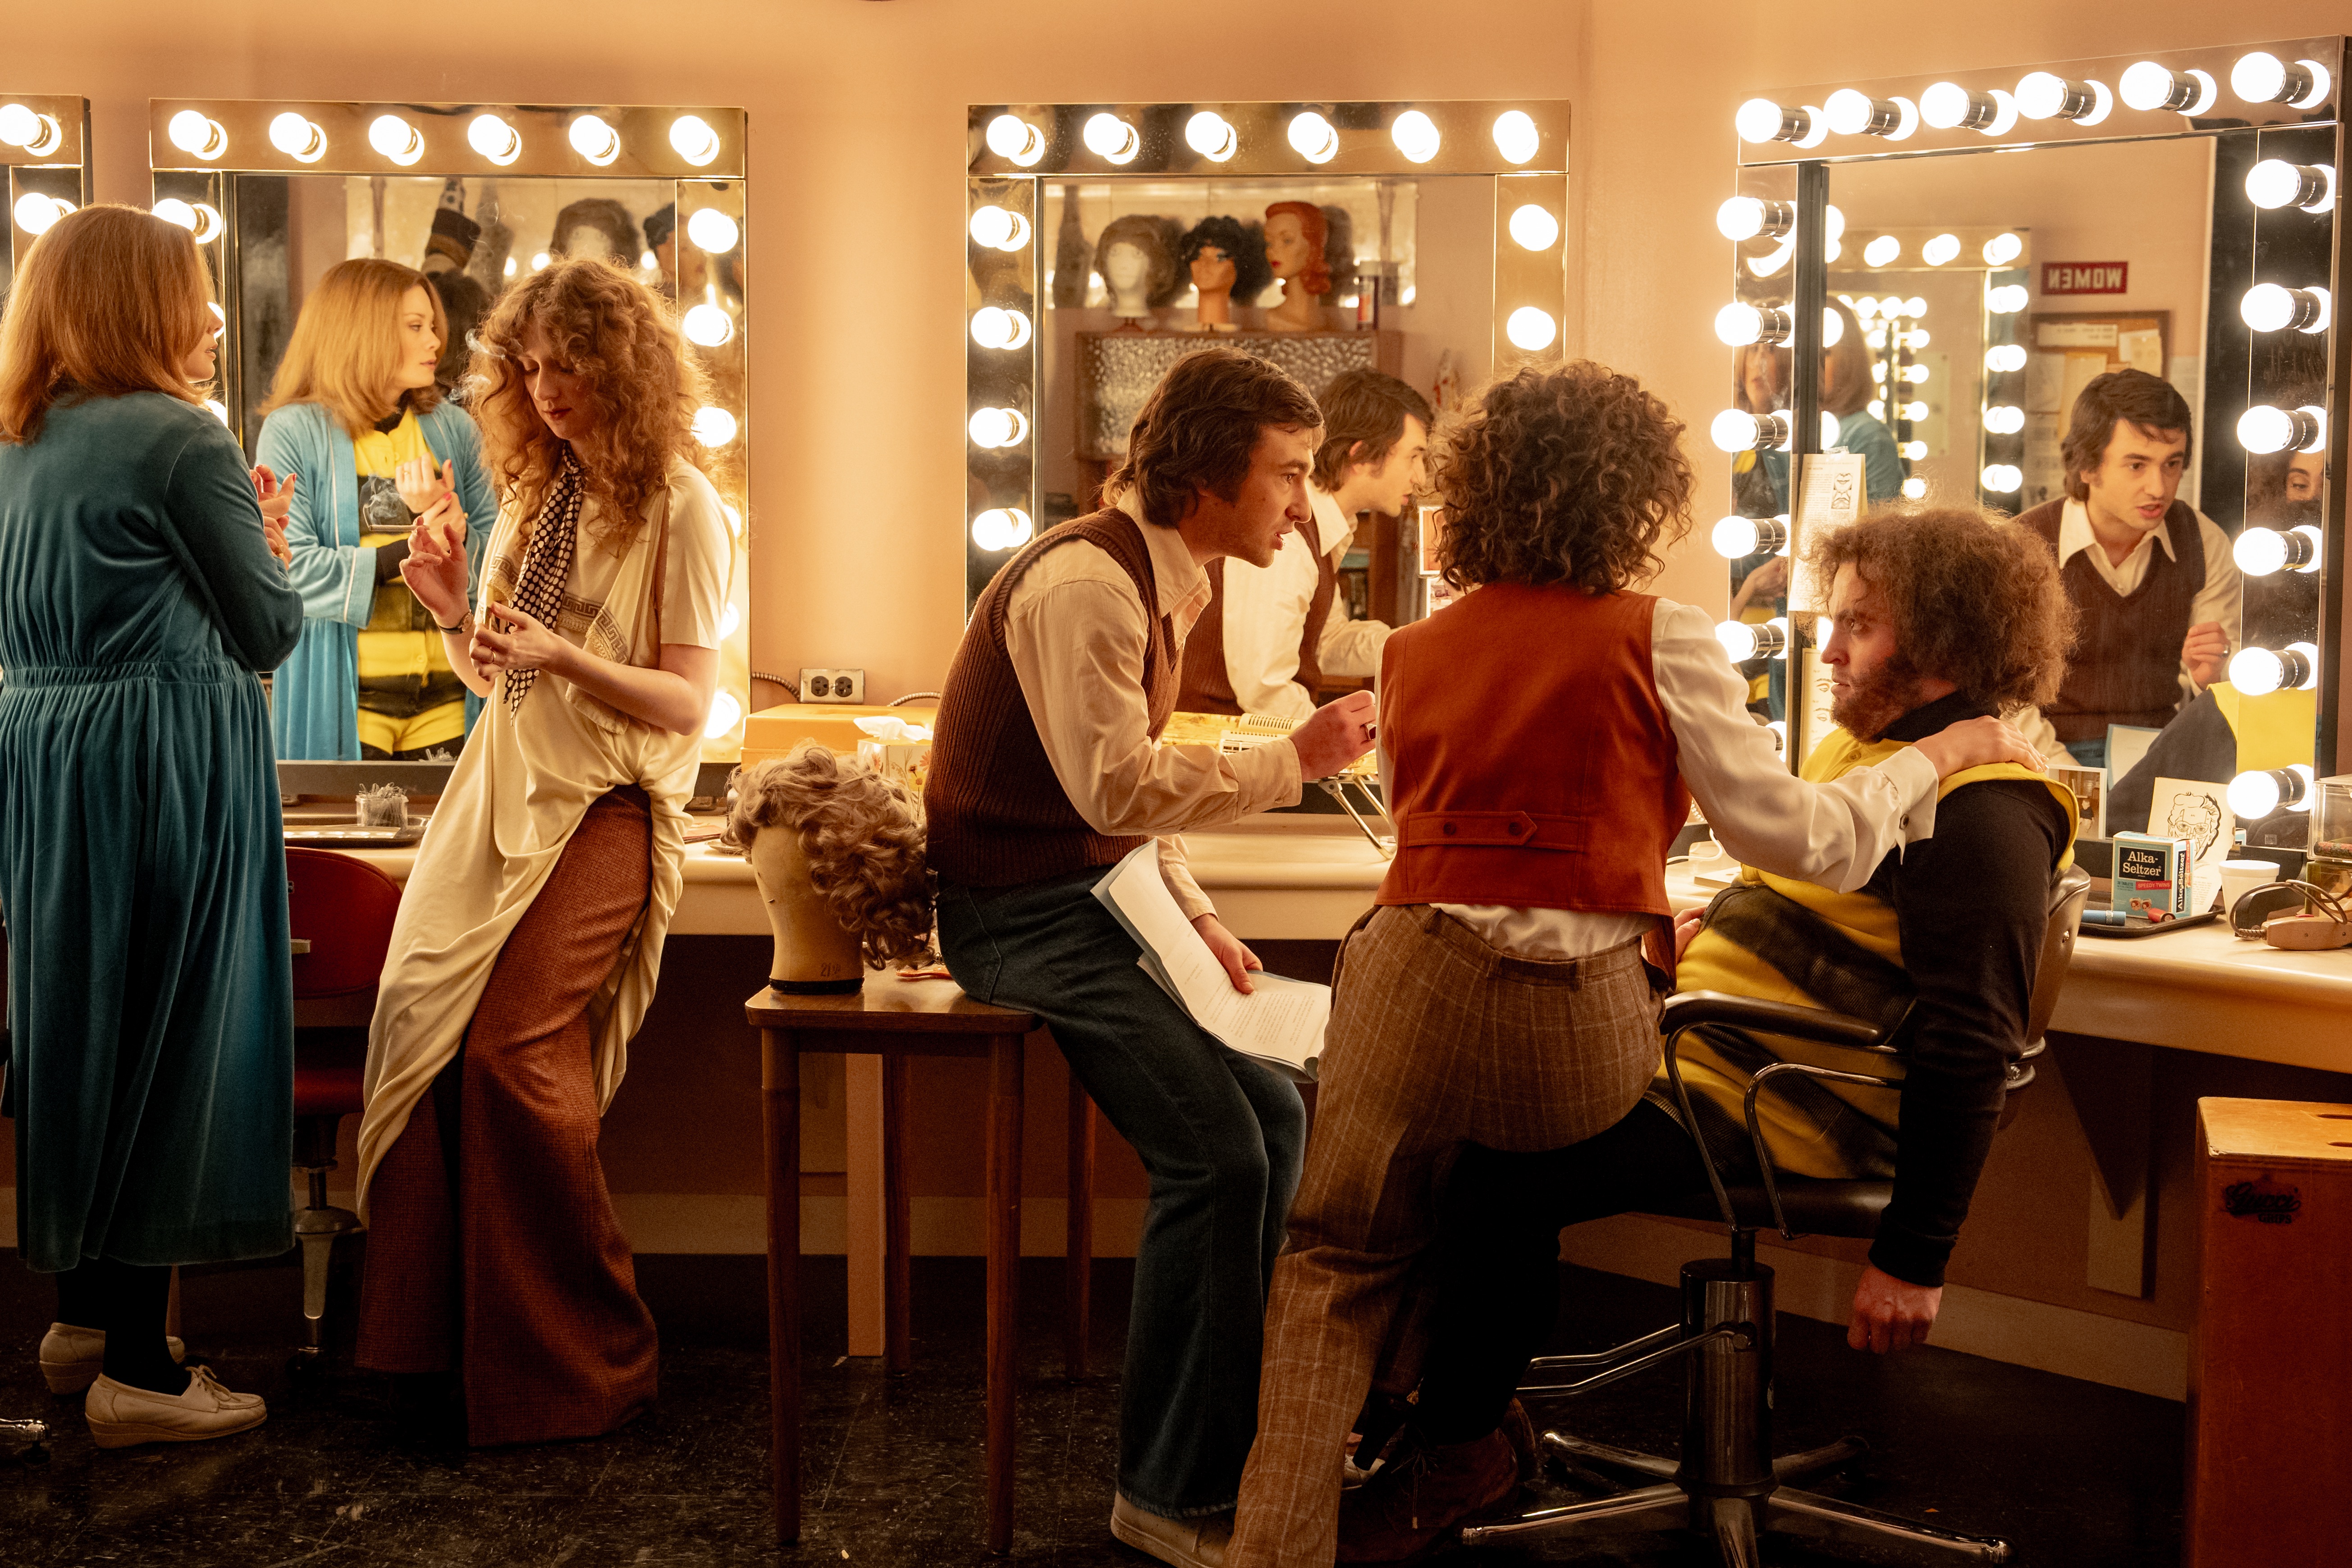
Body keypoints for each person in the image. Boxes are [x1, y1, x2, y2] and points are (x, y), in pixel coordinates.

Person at [1225, 369, 2052, 1568]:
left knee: (1341, 1252)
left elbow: (1440, 819)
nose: (1832, 640)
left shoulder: (1407, 649)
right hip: (1587, 1024)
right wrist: (1926, 762)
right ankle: (1448, 1418)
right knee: (1498, 1160)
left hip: (1413, 971)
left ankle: (1308, 1516)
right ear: (1634, 496)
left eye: (1859, 620)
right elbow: (1801, 834)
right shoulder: (1666, 637)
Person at [924, 346, 1377, 1568]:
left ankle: (1220, 1450)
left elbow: (1126, 806)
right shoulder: (1088, 581)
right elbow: (1109, 779)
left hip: (1095, 892)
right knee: (1222, 1153)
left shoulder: (1169, 575)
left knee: (1277, 1112)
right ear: (1207, 473)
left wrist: (1198, 907)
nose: (1299, 503)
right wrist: (1299, 760)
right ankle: (1169, 1491)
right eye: (1284, 474)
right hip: (1018, 915)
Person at [352, 256, 733, 1446]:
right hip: (495, 795)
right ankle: (425, 1361)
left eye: (572, 362)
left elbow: (684, 704)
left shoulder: (683, 505)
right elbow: (498, 677)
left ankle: (589, 1358)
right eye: (529, 364)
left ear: (624, 367)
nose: (548, 386)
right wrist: (454, 607)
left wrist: (564, 657)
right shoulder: (535, 491)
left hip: (606, 808)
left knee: (513, 1049)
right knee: (421, 1038)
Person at [0, 205, 303, 1445]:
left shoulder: (19, 437)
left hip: (43, 752)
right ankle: (143, 1369)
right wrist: (270, 545)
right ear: (146, 302)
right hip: (161, 758)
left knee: (79, 1025)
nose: (210, 312)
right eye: (190, 287)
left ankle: (82, 1323)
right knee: (176, 1036)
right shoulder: (180, 438)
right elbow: (270, 626)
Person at [257, 257, 498, 761]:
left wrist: (454, 534)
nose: (435, 342)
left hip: (452, 706)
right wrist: (412, 554)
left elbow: (501, 570)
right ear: (359, 331)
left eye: (433, 327)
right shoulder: (293, 431)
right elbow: (288, 568)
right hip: (344, 706)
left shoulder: (456, 429)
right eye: (416, 327)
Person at [2017, 368, 2241, 770]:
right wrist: (2069, 779)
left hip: (2165, 751)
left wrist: (2213, 676)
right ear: (2087, 467)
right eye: (2137, 465)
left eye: (2172, 464)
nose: (2159, 487)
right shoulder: (2025, 545)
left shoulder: (2204, 542)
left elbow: (2221, 695)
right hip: (2046, 754)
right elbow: (2005, 700)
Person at [1176, 369, 1429, 720]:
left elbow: (1327, 641)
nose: (1420, 476)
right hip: (1214, 747)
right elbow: (1265, 687)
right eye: (1414, 457)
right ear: (1361, 457)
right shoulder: (1288, 534)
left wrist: (1425, 642)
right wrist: (1339, 745)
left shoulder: (1326, 527)